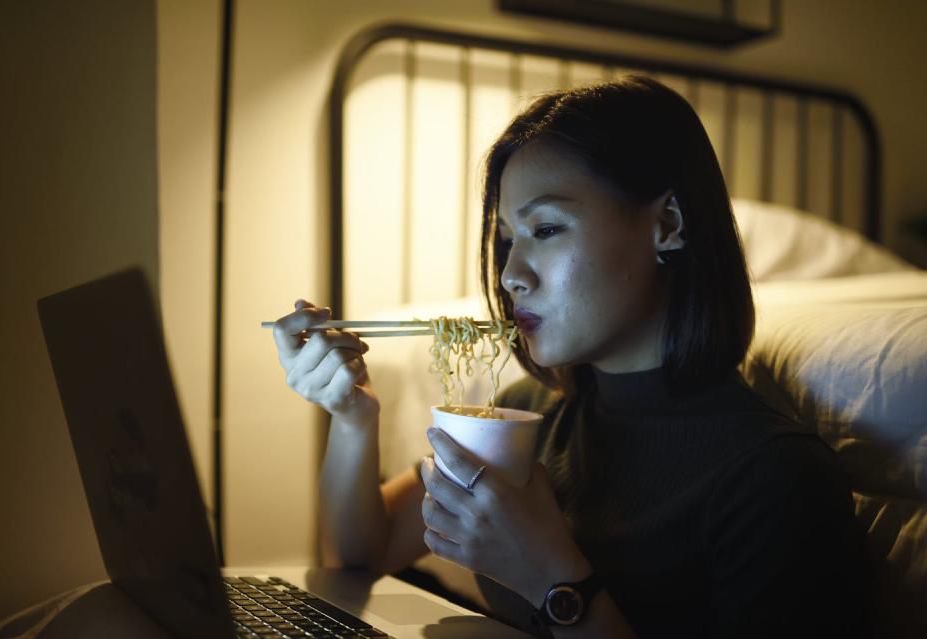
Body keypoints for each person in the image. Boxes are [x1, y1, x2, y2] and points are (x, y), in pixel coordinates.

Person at [272, 76, 870, 638]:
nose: (509, 275)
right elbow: (358, 556)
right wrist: (354, 417)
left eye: (548, 229)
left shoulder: (774, 477)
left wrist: (552, 579)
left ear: (667, 224)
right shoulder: (525, 415)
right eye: (508, 238)